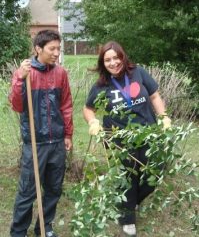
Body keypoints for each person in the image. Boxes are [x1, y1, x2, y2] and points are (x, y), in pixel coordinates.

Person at [83, 41, 171, 237]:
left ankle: (130, 203)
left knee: (155, 174)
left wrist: (164, 117)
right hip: (118, 138)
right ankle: (127, 218)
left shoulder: (138, 73)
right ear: (102, 63)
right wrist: (93, 122)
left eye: (116, 57)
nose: (113, 63)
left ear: (123, 56)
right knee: (127, 177)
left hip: (148, 133)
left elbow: (155, 96)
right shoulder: (100, 85)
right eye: (108, 60)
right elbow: (88, 109)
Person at [9, 30, 73, 237]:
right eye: (52, 48)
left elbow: (66, 105)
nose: (56, 53)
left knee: (53, 189)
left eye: (58, 49)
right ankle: (18, 232)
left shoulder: (60, 73)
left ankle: (44, 227)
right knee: (28, 191)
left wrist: (68, 134)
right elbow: (17, 106)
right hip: (35, 142)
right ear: (38, 48)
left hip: (57, 142)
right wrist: (20, 79)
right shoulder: (26, 72)